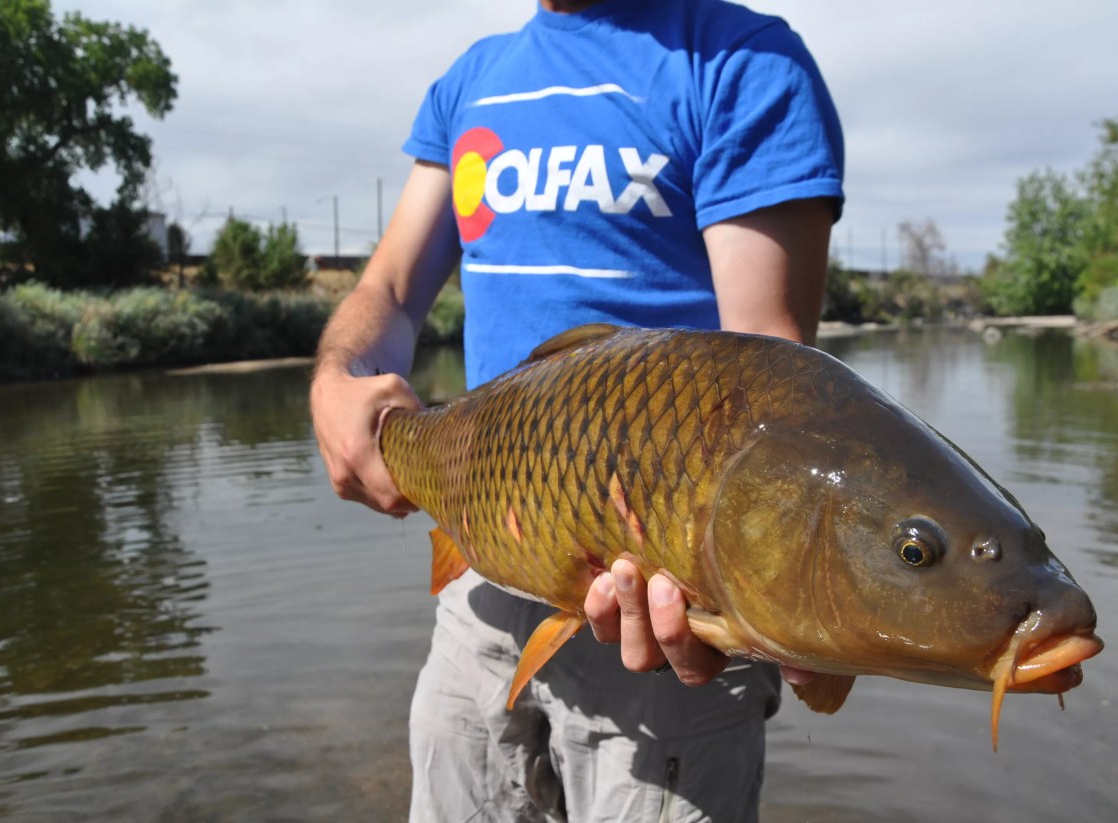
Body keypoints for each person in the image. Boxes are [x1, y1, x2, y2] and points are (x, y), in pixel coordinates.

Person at [310, 0, 844, 818]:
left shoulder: (742, 60)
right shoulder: (471, 84)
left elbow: (771, 375)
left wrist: (809, 606)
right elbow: (387, 289)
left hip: (668, 612)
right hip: (479, 588)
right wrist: (339, 375)